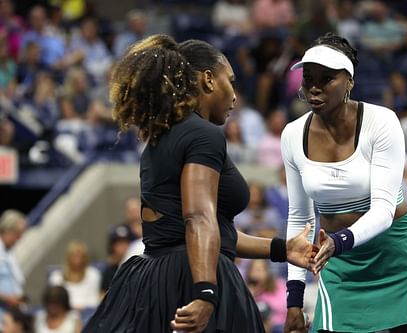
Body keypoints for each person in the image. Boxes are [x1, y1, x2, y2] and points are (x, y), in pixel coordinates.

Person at [82, 34, 318, 333]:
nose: (234, 95)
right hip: (193, 278)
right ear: (208, 79)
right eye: (230, 81)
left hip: (151, 281)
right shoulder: (203, 134)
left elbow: (213, 230)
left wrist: (282, 249)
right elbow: (198, 217)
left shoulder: (160, 138)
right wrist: (205, 292)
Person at [281, 33, 407, 333]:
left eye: (327, 78)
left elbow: (384, 210)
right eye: (308, 77)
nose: (314, 87)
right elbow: (300, 218)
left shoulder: (382, 122)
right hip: (339, 265)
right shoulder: (292, 135)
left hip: (395, 256)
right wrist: (294, 300)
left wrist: (338, 242)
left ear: (349, 81)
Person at [48, 240, 101, 310]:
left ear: (85, 258)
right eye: (74, 256)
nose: (77, 260)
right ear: (68, 257)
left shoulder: (94, 275)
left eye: (80, 256)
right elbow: (55, 303)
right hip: (64, 315)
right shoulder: (56, 277)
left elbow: (94, 301)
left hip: (88, 315)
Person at [0, 210, 27, 333]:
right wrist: (8, 298)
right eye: (18, 234)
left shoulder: (10, 253)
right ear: (8, 230)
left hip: (13, 316)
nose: (20, 238)